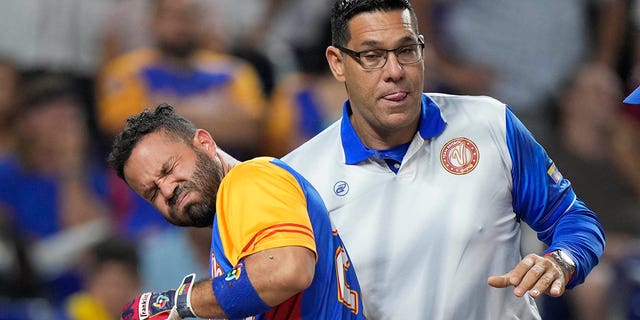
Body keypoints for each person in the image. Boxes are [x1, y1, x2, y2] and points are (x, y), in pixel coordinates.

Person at [282, 0, 606, 319]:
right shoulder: (299, 177)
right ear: (337, 63)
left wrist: (562, 260)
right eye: (372, 56)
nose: (394, 71)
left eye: (407, 50)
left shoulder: (491, 123)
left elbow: (571, 218)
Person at [107, 104, 365, 319]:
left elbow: (287, 270)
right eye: (152, 192)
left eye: (168, 169)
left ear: (205, 143)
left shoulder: (247, 179)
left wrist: (176, 301)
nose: (167, 190)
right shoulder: (233, 223)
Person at [98, 0, 267, 160]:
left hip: (225, 177)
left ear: (201, 21)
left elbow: (252, 130)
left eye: (188, 15)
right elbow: (121, 130)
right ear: (154, 21)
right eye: (171, 16)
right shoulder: (128, 71)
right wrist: (214, 114)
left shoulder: (234, 72)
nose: (181, 25)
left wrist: (161, 115)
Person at [65, 237, 141, 320]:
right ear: (90, 284)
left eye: (119, 284)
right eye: (105, 284)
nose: (113, 293)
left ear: (136, 284)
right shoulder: (72, 315)